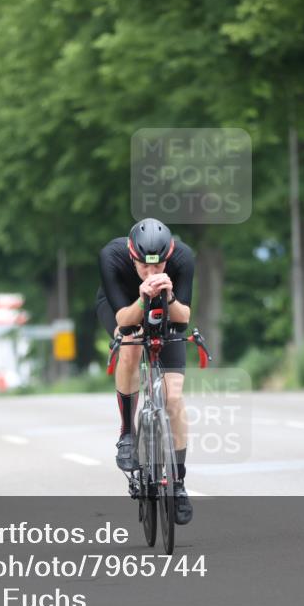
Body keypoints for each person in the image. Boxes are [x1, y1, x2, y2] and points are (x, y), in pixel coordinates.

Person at [96, 218, 195, 524]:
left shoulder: (183, 258)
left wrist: (169, 295)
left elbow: (183, 319)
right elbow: (125, 319)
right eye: (145, 268)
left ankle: (177, 483)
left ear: (169, 256)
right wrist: (142, 297)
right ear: (132, 256)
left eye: (159, 267)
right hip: (125, 306)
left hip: (166, 310)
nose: (153, 274)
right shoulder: (111, 257)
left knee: (174, 397)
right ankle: (127, 431)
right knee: (130, 346)